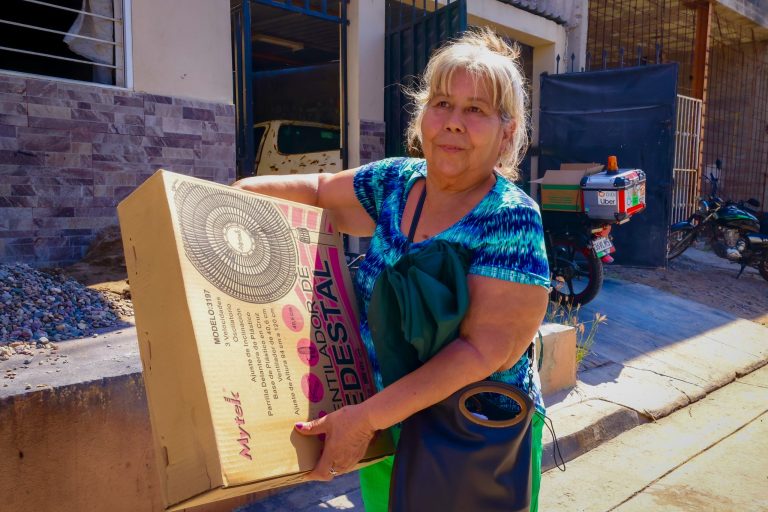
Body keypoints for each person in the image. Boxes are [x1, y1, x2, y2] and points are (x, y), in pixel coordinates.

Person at [232, 27, 550, 512]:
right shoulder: (396, 183)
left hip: (467, 442)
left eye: (476, 110)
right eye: (442, 103)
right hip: (386, 426)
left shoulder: (512, 218)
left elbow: (483, 350)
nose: (453, 123)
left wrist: (363, 419)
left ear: (507, 132)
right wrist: (230, 195)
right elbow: (319, 192)